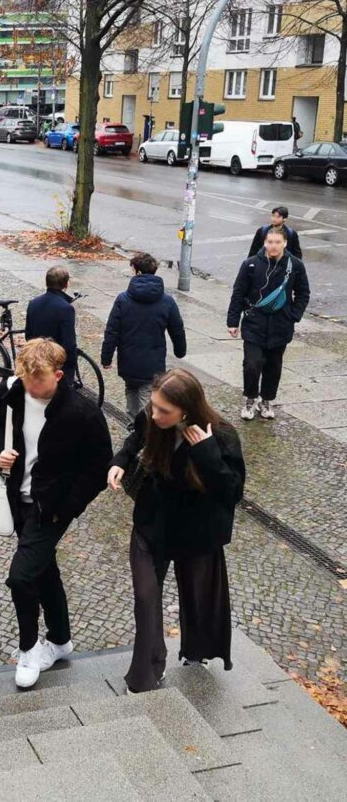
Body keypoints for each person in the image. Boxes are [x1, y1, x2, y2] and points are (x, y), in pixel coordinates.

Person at [0, 339, 111, 689]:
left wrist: (67, 508)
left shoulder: (83, 413)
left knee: (21, 577)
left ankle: (29, 649)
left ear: (57, 375)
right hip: (18, 500)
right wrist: (0, 453)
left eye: (36, 381)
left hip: (50, 509)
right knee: (42, 569)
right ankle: (61, 639)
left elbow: (98, 467)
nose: (30, 386)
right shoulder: (14, 391)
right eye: (24, 379)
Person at [108, 369, 245, 694]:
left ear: (186, 410)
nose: (155, 415)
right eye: (154, 407)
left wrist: (206, 452)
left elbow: (232, 491)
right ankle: (145, 673)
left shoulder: (223, 436)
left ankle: (199, 649)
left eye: (163, 411)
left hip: (196, 532)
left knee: (199, 594)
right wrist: (119, 461)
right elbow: (134, 440)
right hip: (152, 524)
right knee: (145, 597)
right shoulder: (153, 417)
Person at [227, 226, 310, 421]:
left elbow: (303, 293)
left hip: (281, 325)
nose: (273, 246)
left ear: (285, 243)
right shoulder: (250, 265)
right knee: (252, 364)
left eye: (277, 242)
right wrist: (233, 321)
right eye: (270, 242)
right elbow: (238, 293)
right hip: (254, 323)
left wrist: (293, 315)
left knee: (274, 366)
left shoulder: (295, 265)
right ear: (265, 242)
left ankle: (266, 400)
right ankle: (250, 398)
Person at [101, 253, 187, 426]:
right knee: (148, 397)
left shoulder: (123, 300)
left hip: (128, 360)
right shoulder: (167, 301)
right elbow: (177, 329)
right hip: (153, 362)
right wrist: (180, 350)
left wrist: (106, 357)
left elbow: (112, 331)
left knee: (131, 389)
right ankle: (146, 434)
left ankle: (134, 426)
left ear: (136, 271)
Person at [24, 267, 78, 384]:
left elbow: (28, 334)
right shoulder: (66, 308)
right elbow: (68, 343)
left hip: (36, 357)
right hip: (55, 361)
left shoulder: (33, 303)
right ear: (66, 285)